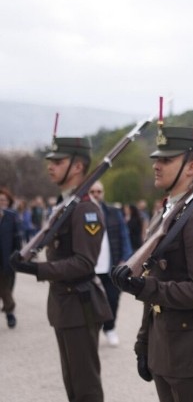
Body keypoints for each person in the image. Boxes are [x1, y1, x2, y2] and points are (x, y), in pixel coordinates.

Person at [111, 126, 193, 402]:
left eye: (166, 160)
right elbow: (154, 283)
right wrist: (144, 343)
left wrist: (144, 287)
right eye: (157, 159)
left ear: (191, 167)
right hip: (163, 349)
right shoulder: (166, 214)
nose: (156, 165)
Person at [10, 136, 112, 402]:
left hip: (80, 304)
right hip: (66, 305)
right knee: (73, 386)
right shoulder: (66, 204)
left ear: (78, 166)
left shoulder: (86, 209)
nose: (50, 166)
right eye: (50, 161)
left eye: (58, 161)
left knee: (85, 388)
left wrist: (36, 269)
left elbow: (83, 263)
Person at [88, 180, 133, 347]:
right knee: (91, 302)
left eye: (99, 191)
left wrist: (126, 259)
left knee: (112, 299)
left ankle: (110, 328)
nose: (96, 194)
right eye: (92, 191)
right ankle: (93, 330)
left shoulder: (114, 213)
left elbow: (124, 236)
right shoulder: (81, 212)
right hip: (90, 267)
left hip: (110, 265)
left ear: (103, 193)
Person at [0, 188, 22, 328]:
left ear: (8, 202)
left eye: (4, 200)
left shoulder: (12, 216)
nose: (1, 203)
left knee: (7, 287)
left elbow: (17, 238)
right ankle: (10, 310)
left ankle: (9, 312)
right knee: (4, 288)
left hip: (7, 259)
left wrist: (19, 256)